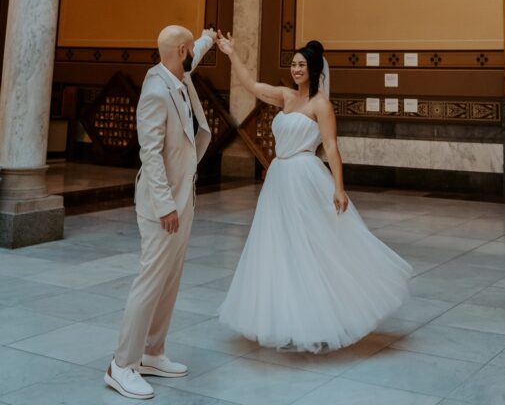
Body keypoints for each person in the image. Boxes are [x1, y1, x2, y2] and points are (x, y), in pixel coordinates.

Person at [216, 32, 411, 353]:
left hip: (305, 176)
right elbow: (251, 86)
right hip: (278, 177)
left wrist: (339, 187)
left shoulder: (321, 105)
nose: (296, 69)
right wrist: (231, 53)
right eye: (293, 64)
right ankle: (284, 317)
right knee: (278, 244)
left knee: (310, 243)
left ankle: (319, 316)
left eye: (302, 65)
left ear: (314, 68)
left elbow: (332, 146)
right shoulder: (284, 96)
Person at [105, 25, 215, 400]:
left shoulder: (178, 70)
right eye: (190, 50)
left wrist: (208, 38)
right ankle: (121, 365)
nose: (192, 56)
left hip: (186, 198)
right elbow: (149, 153)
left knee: (170, 280)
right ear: (178, 50)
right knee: (151, 280)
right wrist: (167, 204)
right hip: (161, 205)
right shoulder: (155, 92)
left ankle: (152, 352)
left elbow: (194, 52)